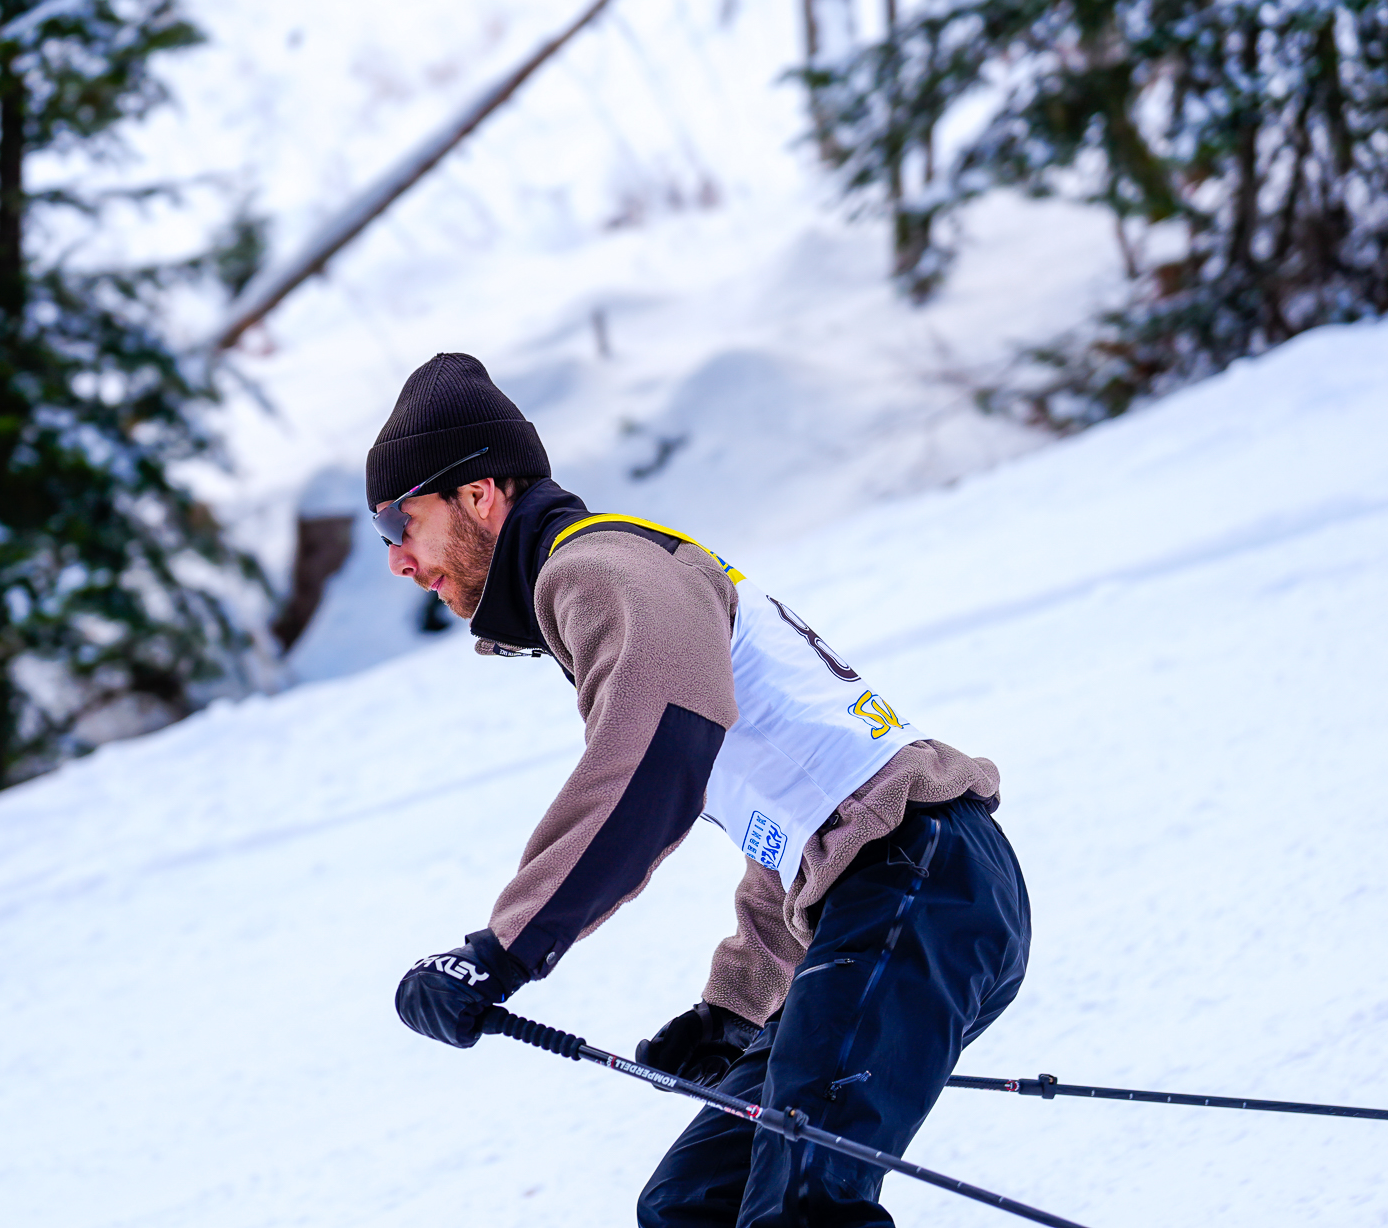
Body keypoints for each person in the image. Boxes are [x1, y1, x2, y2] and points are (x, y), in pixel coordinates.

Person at [378, 353, 1031, 1228]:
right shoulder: (621, 574)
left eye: (400, 521)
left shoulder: (595, 568)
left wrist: (499, 951)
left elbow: (655, 762)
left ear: (478, 493)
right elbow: (802, 810)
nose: (398, 558)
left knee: (801, 1210)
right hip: (910, 885)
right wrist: (734, 1009)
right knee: (691, 1204)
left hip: (920, 881)